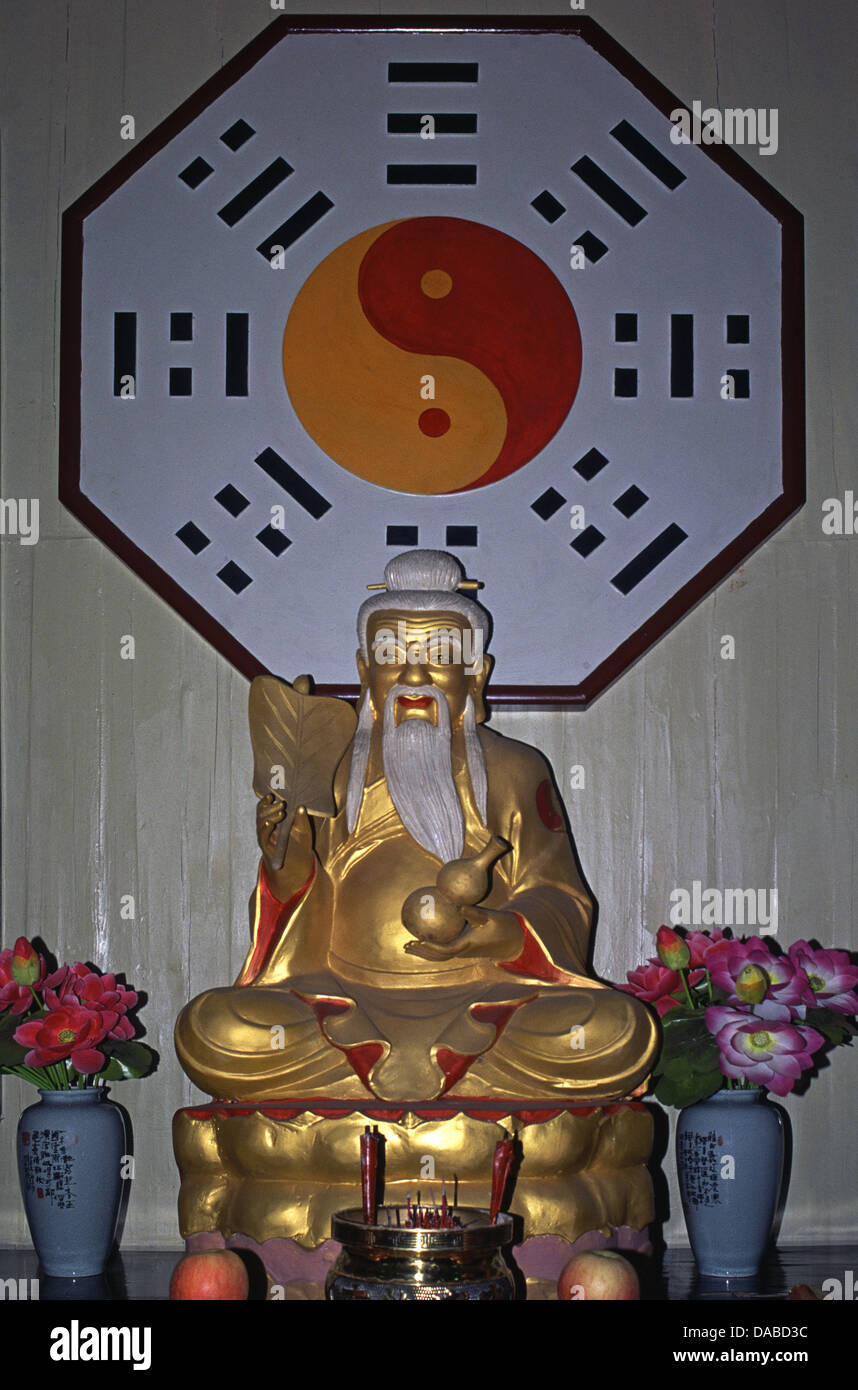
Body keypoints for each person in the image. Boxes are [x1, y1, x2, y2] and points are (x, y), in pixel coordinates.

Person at [175, 550, 657, 1103]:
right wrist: (289, 858)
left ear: (477, 673)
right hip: (340, 1000)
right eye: (390, 654)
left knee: (612, 1030)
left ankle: (373, 1099)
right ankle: (433, 1093)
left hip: (487, 1000)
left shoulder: (515, 769)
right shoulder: (329, 768)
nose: (413, 675)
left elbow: (560, 897)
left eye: (440, 655)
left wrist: (494, 933)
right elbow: (297, 913)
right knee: (216, 1027)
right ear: (364, 671)